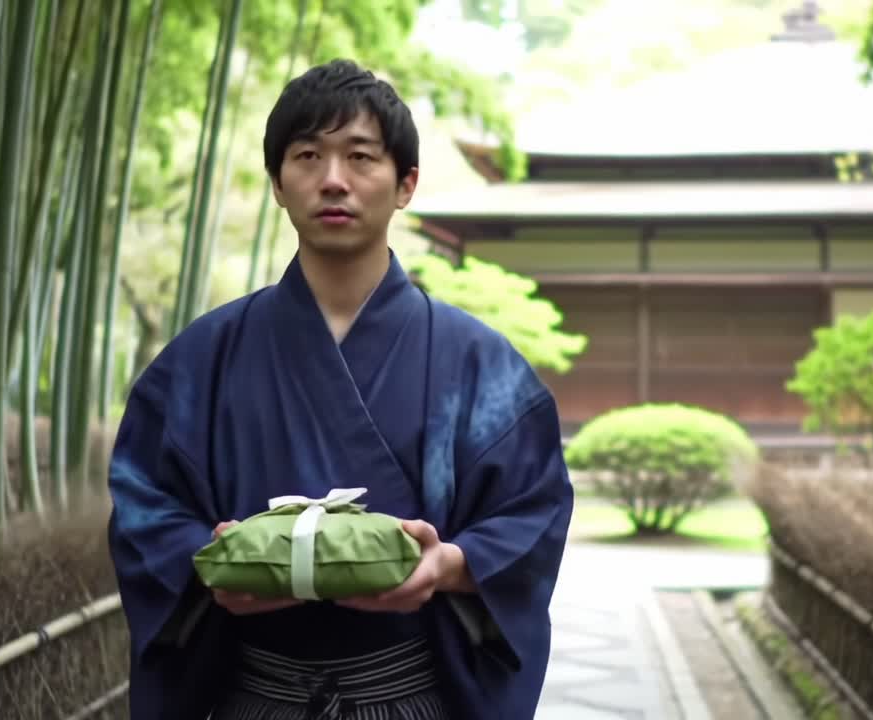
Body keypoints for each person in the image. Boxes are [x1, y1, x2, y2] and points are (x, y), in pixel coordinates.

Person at [107, 59, 574, 720]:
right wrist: (206, 562)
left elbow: (535, 513)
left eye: (361, 157)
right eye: (307, 156)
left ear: (405, 183)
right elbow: (143, 506)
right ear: (277, 183)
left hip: (414, 699)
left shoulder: (479, 363)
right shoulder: (200, 360)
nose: (333, 180)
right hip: (256, 699)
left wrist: (451, 565)